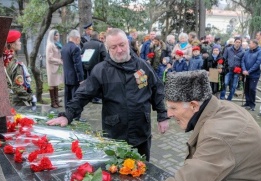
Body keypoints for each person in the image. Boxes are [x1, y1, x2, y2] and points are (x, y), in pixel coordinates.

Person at [78, 70, 261, 181]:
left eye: (174, 108)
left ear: (194, 105)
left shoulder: (219, 134)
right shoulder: (219, 108)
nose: (169, 114)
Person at [47, 28, 169, 161]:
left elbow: (157, 89)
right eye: (114, 47)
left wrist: (162, 116)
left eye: (122, 45)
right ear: (108, 49)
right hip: (115, 136)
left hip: (141, 134)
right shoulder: (101, 70)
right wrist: (68, 115)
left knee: (143, 172)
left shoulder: (143, 66)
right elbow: (83, 94)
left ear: (128, 44)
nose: (119, 50)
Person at [3, 30, 34, 106]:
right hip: (17, 102)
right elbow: (17, 86)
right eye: (19, 41)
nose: (20, 43)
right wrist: (31, 98)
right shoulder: (15, 63)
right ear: (12, 44)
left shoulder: (4, 59)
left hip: (7, 99)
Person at [81, 31, 107, 104]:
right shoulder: (100, 45)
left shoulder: (85, 45)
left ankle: (90, 97)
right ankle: (96, 98)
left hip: (87, 67)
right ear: (97, 37)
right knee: (97, 83)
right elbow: (105, 56)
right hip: (97, 67)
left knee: (89, 83)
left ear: (90, 37)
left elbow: (81, 55)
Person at [61, 30, 84, 110]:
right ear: (77, 38)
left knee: (67, 97)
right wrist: (81, 78)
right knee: (76, 97)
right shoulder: (75, 48)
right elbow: (77, 65)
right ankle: (76, 116)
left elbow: (67, 60)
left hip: (67, 76)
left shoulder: (64, 47)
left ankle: (67, 113)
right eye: (79, 39)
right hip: (74, 77)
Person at [241, 39, 261, 111]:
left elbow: (258, 63)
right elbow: (243, 61)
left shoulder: (260, 52)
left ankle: (252, 104)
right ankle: (247, 102)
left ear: (254, 44)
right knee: (246, 89)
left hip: (254, 74)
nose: (249, 44)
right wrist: (244, 70)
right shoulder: (247, 51)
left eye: (250, 43)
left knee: (252, 89)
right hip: (246, 73)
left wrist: (249, 71)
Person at [46, 29, 64, 108]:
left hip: (57, 67)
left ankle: (57, 101)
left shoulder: (57, 44)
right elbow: (49, 58)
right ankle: (53, 102)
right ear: (52, 36)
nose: (58, 36)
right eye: (56, 35)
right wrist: (59, 61)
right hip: (52, 67)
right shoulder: (50, 45)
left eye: (58, 35)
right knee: (52, 85)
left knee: (56, 84)